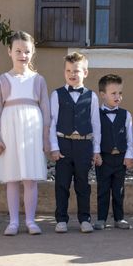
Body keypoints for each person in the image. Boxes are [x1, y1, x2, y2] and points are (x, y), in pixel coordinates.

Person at [0, 31, 51, 236]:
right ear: (9, 52)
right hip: (10, 130)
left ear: (32, 53)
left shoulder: (38, 80)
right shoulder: (2, 80)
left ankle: (31, 221)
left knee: (30, 178)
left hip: (32, 130)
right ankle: (14, 222)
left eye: (26, 51)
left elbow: (46, 111)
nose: (22, 55)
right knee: (12, 177)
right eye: (18, 51)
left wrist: (45, 139)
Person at [49, 52, 101, 233]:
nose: (72, 74)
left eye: (76, 71)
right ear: (64, 72)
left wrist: (96, 150)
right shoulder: (57, 94)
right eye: (68, 70)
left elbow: (96, 124)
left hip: (83, 145)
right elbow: (52, 122)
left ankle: (84, 219)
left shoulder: (92, 96)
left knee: (83, 184)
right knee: (62, 183)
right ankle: (61, 219)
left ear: (85, 72)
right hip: (63, 143)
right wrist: (54, 147)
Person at [94, 74, 133, 230]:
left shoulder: (126, 115)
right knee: (103, 189)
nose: (118, 96)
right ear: (103, 95)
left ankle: (119, 218)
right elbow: (95, 136)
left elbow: (130, 138)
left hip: (120, 159)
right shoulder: (96, 114)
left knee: (119, 190)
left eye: (120, 93)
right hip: (103, 158)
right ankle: (101, 219)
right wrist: (96, 153)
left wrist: (129, 155)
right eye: (113, 93)